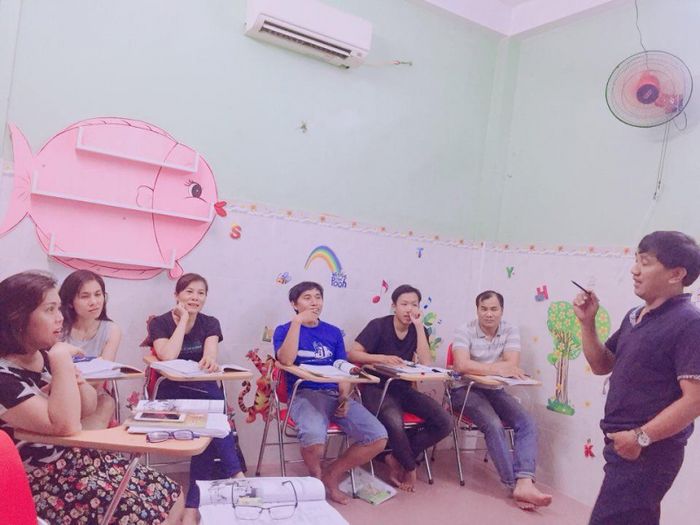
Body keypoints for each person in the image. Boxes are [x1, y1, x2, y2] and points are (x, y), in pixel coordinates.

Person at [0, 270, 183, 524]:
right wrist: (61, 359)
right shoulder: (5, 376)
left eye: (58, 308)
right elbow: (66, 425)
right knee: (143, 515)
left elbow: (87, 405)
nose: (60, 317)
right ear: (18, 319)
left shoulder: (43, 355)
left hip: (77, 458)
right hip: (42, 478)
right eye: (50, 310)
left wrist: (72, 378)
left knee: (174, 494)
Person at [574, 231, 700, 525]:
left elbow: (695, 400)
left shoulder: (689, 322)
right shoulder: (636, 316)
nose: (634, 270)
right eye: (636, 260)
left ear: (676, 274)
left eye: (645, 262)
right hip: (624, 446)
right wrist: (588, 323)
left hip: (650, 452)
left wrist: (641, 437)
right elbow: (602, 364)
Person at [274, 281, 387, 504]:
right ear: (294, 304)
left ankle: (331, 475)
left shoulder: (333, 332)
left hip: (335, 394)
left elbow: (342, 368)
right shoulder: (284, 329)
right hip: (304, 394)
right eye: (307, 297)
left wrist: (344, 396)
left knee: (378, 437)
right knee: (314, 438)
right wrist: (297, 322)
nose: (314, 302)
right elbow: (285, 360)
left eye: (318, 297)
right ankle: (316, 478)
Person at [147, 272, 243, 525]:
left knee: (208, 426)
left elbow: (210, 352)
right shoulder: (159, 323)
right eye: (189, 291)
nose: (195, 297)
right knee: (212, 417)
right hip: (170, 391)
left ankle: (192, 506)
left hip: (202, 388)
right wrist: (183, 321)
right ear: (176, 295)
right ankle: (237, 478)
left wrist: (210, 361)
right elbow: (167, 356)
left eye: (201, 293)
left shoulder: (210, 323)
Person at [449, 290, 552, 510]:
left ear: (502, 311)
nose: (489, 314)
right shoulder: (464, 330)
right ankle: (513, 485)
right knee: (494, 424)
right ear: (477, 310)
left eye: (494, 309)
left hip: (494, 390)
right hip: (464, 390)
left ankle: (525, 480)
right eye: (484, 309)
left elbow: (512, 364)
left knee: (528, 422)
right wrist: (498, 368)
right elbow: (461, 365)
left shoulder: (510, 330)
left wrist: (484, 368)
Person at [348, 284, 453, 492]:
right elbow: (353, 354)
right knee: (395, 422)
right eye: (404, 304)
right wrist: (381, 358)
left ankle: (392, 455)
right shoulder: (378, 326)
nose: (409, 309)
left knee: (445, 422)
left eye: (414, 305)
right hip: (376, 388)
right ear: (394, 306)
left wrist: (420, 327)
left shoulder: (418, 329)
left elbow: (426, 362)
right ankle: (410, 467)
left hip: (403, 388)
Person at [59, 269, 122, 429]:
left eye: (98, 294)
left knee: (106, 403)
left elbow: (101, 376)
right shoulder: (58, 328)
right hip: (60, 391)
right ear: (70, 302)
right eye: (85, 296)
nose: (94, 302)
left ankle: (83, 444)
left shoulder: (111, 330)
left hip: (93, 392)